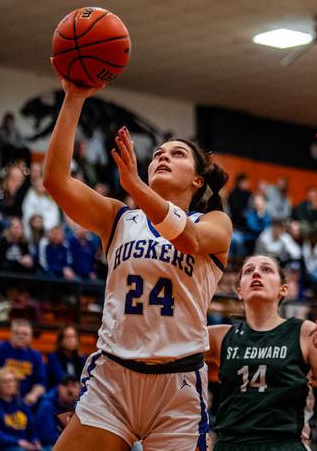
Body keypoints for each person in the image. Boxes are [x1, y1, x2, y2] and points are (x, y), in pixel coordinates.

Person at [44, 70, 232, 451]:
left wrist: (137, 189)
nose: (164, 156)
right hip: (113, 378)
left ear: (197, 181)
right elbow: (55, 181)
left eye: (177, 154)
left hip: (176, 386)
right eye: (159, 154)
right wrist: (74, 99)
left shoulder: (213, 222)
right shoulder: (118, 218)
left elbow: (187, 238)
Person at [206, 255, 317, 450]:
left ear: (283, 289)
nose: (256, 273)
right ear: (239, 291)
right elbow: (166, 352)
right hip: (230, 444)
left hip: (283, 444)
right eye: (249, 271)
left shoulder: (305, 332)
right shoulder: (219, 336)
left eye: (266, 269)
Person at [0, 319, 46, 407]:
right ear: (10, 334)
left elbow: (41, 382)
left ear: (31, 336)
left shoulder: (36, 356)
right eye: (17, 333)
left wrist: (33, 395)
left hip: (25, 401)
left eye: (25, 334)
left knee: (45, 403)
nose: (21, 337)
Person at [34, 375, 80, 449]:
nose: (74, 397)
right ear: (60, 387)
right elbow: (47, 437)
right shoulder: (47, 406)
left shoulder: (74, 406)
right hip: (47, 445)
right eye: (70, 393)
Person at [22, 163, 61, 234]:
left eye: (43, 185)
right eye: (39, 185)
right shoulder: (30, 196)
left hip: (50, 230)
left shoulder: (51, 198)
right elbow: (27, 212)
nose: (41, 187)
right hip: (33, 230)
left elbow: (55, 215)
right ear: (35, 185)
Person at [46, 325, 86, 389]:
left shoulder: (81, 357)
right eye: (68, 337)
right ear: (61, 341)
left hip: (78, 389)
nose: (72, 340)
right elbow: (60, 377)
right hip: (58, 390)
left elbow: (86, 377)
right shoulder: (53, 357)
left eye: (74, 337)